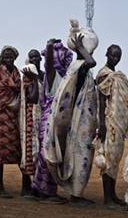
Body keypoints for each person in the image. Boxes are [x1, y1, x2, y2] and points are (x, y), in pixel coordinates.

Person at [44, 34, 97, 207]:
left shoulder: (82, 70)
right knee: (80, 158)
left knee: (81, 158)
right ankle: (75, 196)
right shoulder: (78, 66)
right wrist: (80, 46)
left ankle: (77, 194)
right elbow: (91, 62)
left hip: (82, 121)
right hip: (77, 122)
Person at [31, 39, 72, 203]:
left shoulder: (65, 78)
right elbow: (48, 65)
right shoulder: (52, 74)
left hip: (57, 121)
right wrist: (49, 47)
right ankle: (47, 192)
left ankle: (41, 189)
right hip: (50, 120)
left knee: (49, 155)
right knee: (48, 156)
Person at [96, 44, 128, 209]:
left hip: (119, 125)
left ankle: (113, 195)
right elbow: (102, 99)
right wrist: (102, 125)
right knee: (108, 160)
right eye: (113, 55)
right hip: (109, 121)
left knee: (115, 159)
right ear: (106, 54)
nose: (115, 58)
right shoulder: (104, 74)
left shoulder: (119, 76)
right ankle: (107, 199)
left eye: (118, 56)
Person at [0, 45, 21, 198]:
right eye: (6, 56)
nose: (8, 59)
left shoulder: (16, 72)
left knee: (18, 150)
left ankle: (26, 186)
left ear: (15, 57)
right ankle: (0, 187)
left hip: (13, 116)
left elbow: (20, 90)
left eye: (11, 56)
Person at [18, 50, 43, 199]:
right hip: (30, 117)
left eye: (36, 56)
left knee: (38, 152)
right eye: (31, 57)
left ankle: (35, 186)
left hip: (41, 117)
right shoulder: (28, 77)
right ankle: (25, 188)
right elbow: (33, 98)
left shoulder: (43, 75)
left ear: (40, 58)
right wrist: (34, 78)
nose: (34, 59)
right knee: (29, 152)